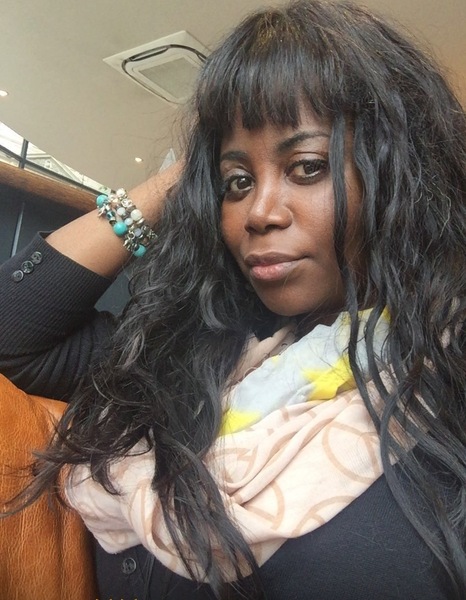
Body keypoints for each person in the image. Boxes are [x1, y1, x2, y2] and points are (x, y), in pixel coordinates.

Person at [0, 1, 465, 599]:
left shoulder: (442, 387)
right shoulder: (199, 353)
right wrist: (185, 175)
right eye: (237, 183)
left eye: (306, 166)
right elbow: (13, 330)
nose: (258, 212)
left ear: (400, 177)